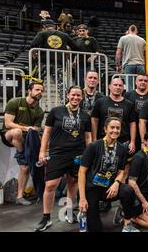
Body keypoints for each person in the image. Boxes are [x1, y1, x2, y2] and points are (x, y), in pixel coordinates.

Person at [34, 86, 92, 231]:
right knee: (50, 185)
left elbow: (88, 137)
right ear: (67, 95)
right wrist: (42, 152)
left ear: (82, 98)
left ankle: (69, 211)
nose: (76, 97)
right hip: (58, 153)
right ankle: (46, 217)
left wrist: (89, 154)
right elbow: (46, 132)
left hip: (78, 154)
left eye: (79, 95)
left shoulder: (85, 115)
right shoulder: (56, 111)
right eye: (73, 95)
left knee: (72, 184)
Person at [78, 117, 139, 232]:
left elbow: (122, 171)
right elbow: (82, 172)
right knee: (95, 228)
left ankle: (127, 224)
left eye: (118, 128)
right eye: (112, 127)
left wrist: (116, 183)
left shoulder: (122, 148)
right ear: (105, 129)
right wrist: (82, 198)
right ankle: (85, 213)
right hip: (92, 188)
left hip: (110, 188)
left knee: (128, 190)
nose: (115, 130)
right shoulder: (93, 146)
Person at [1, 82, 45, 205]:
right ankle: (21, 154)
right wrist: (27, 128)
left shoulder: (39, 111)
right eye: (37, 90)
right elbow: (8, 124)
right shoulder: (15, 102)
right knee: (17, 132)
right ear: (29, 91)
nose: (40, 92)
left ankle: (19, 197)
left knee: (25, 168)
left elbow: (36, 130)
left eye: (41, 91)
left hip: (25, 140)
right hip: (9, 135)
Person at [125, 74, 148, 153]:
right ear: (136, 82)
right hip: (130, 133)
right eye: (140, 80)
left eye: (145, 81)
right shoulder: (128, 95)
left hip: (147, 134)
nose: (143, 82)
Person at [116, 25, 146, 91]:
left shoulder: (123, 38)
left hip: (129, 65)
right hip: (140, 65)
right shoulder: (142, 40)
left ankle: (130, 101)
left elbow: (118, 53)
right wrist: (145, 66)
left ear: (129, 30)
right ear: (136, 31)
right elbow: (145, 55)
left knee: (130, 88)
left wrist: (118, 65)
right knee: (141, 87)